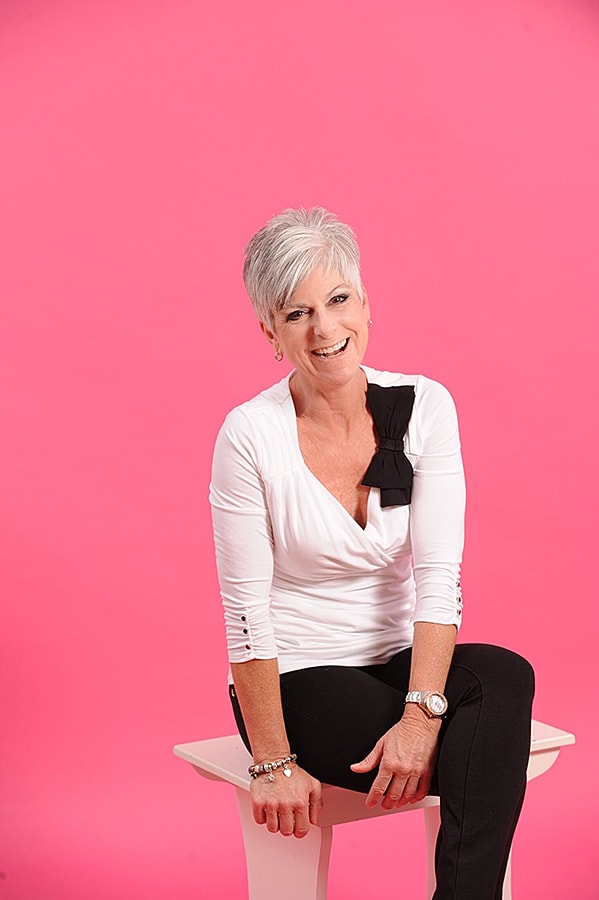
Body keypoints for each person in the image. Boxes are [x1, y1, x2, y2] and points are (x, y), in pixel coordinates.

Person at [209, 207, 534, 899]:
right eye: (296, 313)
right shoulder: (248, 435)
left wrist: (421, 715)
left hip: (399, 664)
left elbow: (438, 578)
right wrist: (271, 761)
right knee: (486, 750)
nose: (325, 330)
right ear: (269, 331)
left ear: (364, 301)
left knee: (505, 675)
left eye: (337, 300)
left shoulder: (424, 406)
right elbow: (243, 611)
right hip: (300, 670)